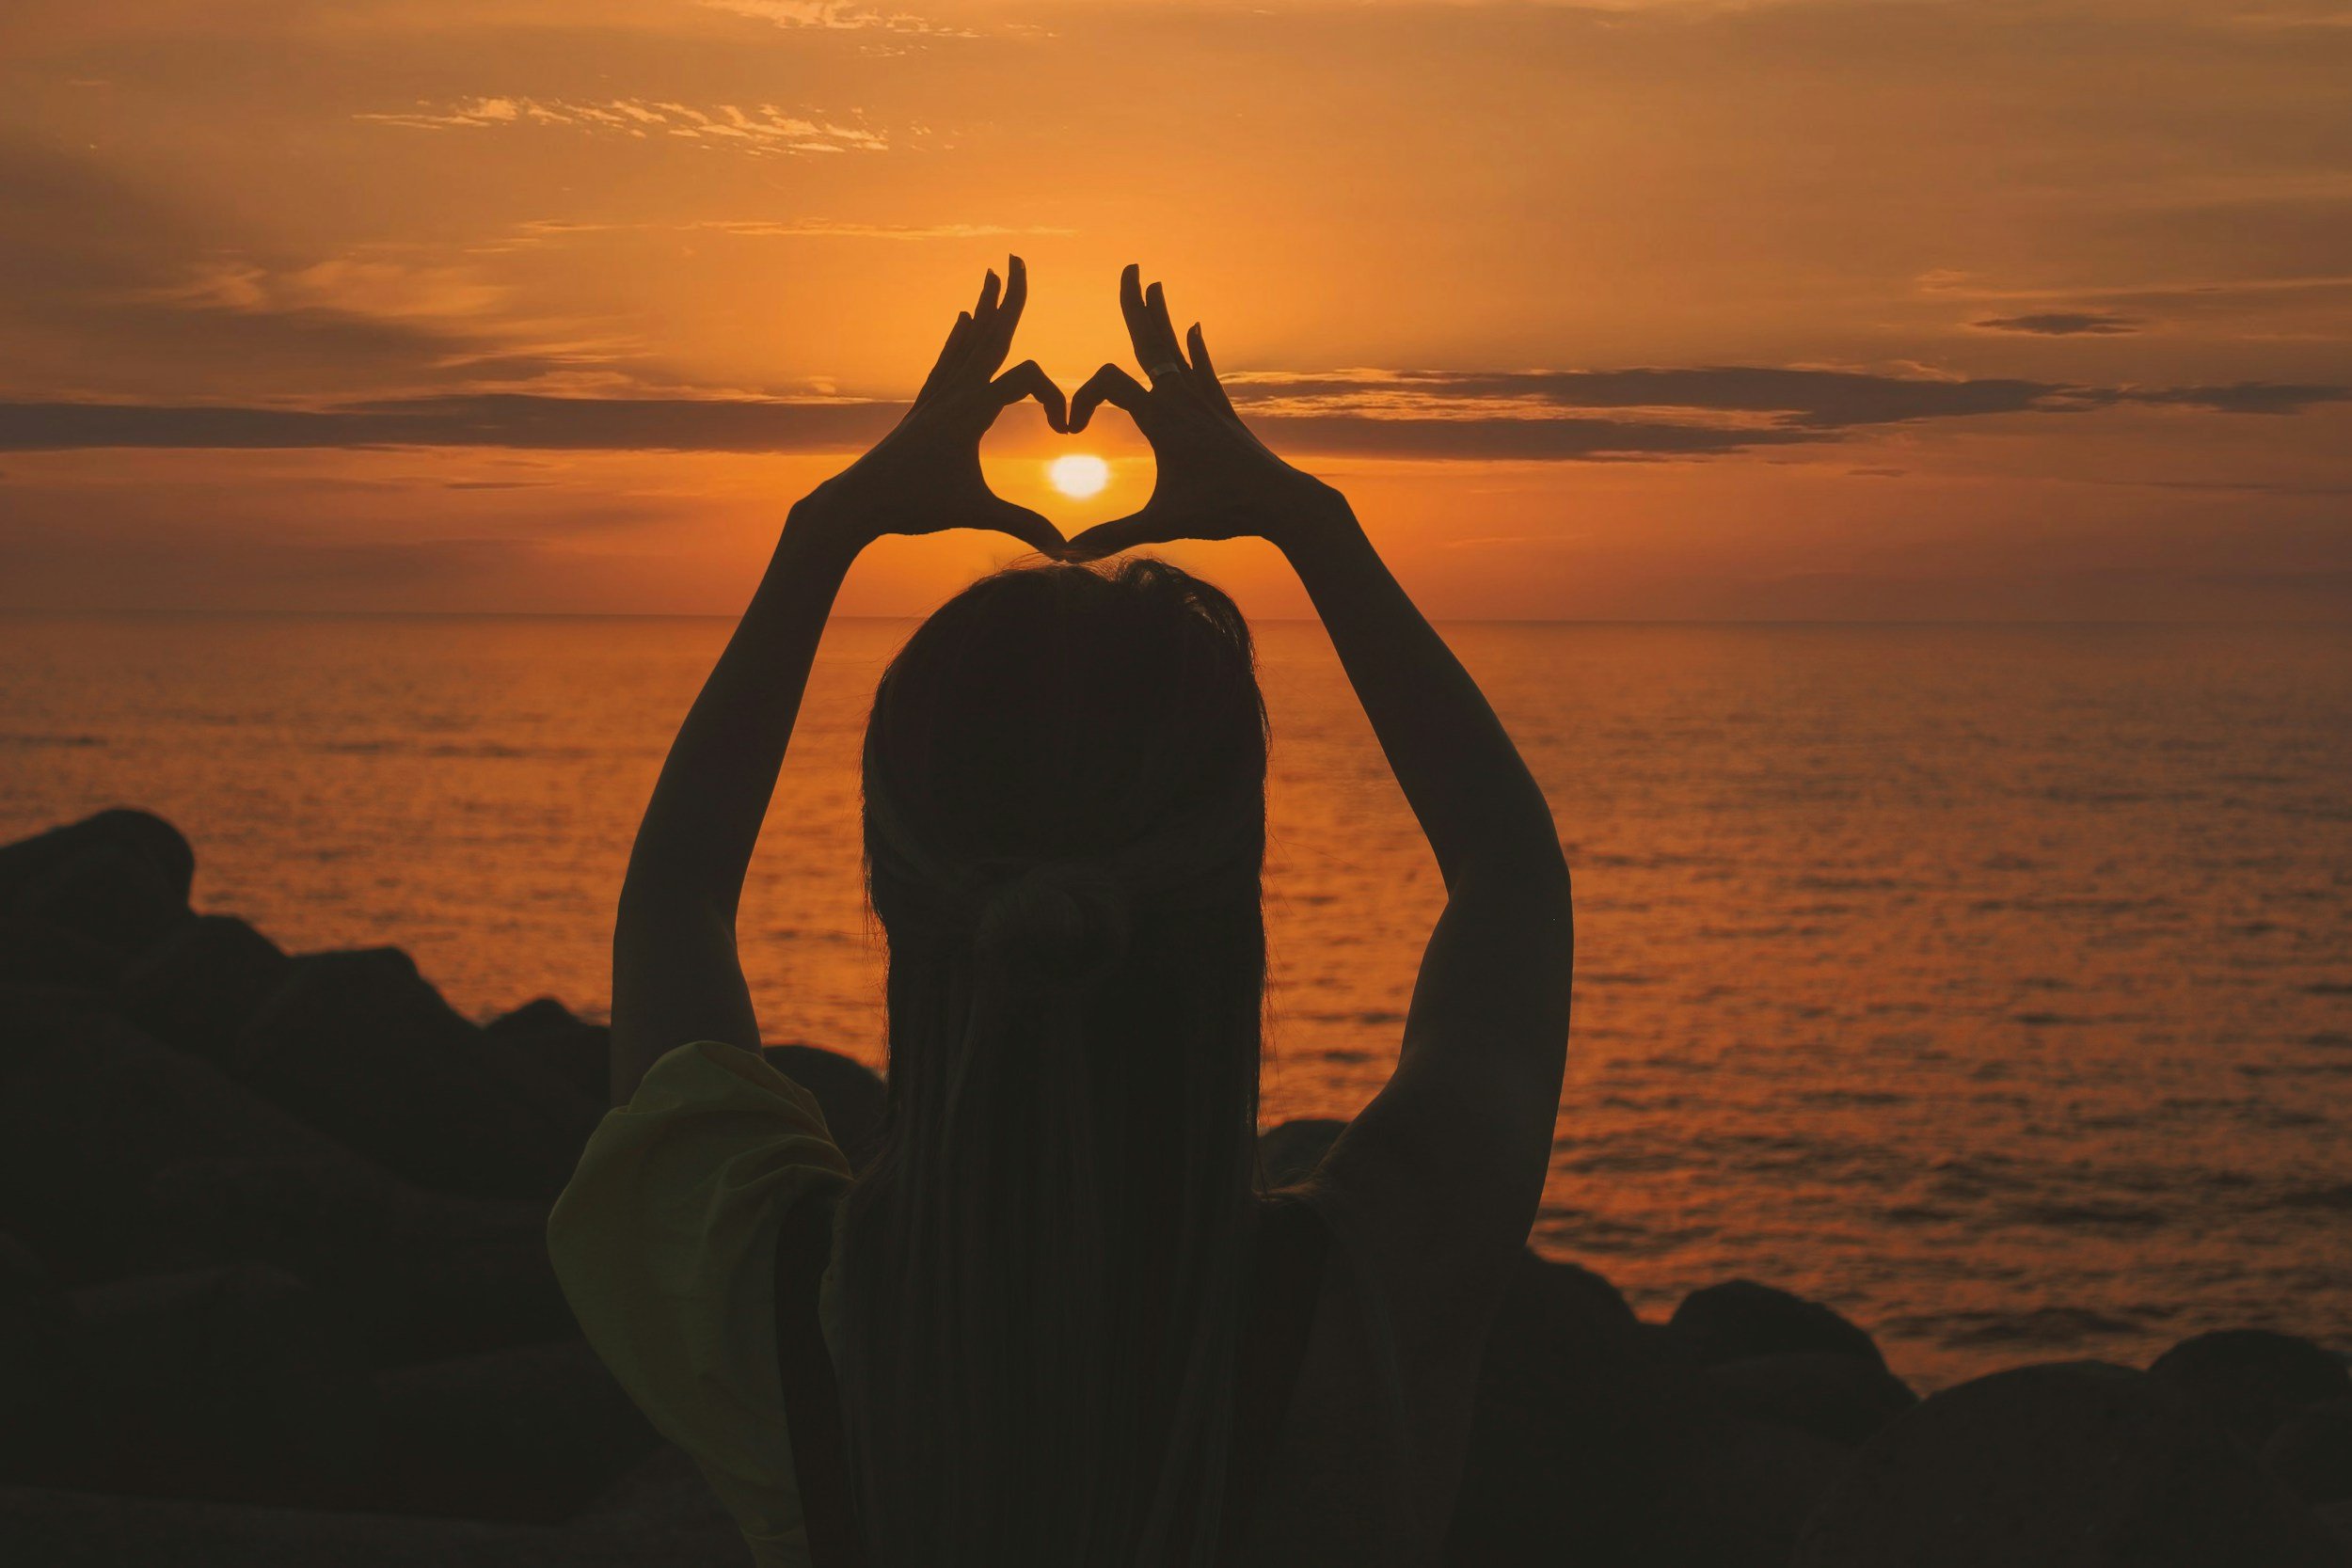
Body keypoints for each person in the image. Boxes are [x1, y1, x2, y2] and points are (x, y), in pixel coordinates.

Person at [548, 258, 1574, 1567]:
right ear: (1236, 898)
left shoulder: (775, 1301)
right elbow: (1510, 871)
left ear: (897, 893)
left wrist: (830, 528)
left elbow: (677, 896)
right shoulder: (1372, 1285)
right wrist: (1305, 520)